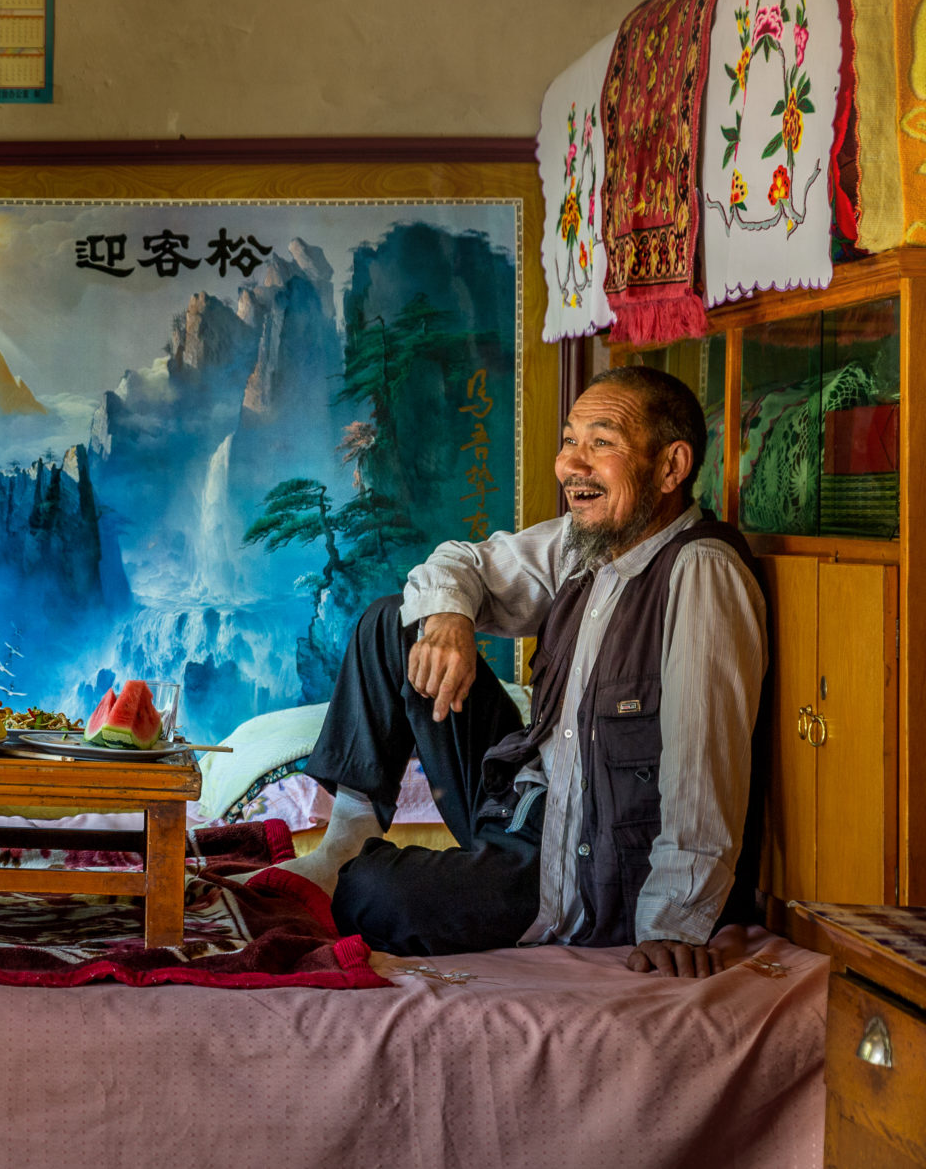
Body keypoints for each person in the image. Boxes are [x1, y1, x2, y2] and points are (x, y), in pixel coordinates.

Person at [274, 366, 767, 979]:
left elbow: (706, 766)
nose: (571, 465)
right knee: (395, 623)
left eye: (602, 442)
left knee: (372, 893)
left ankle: (372, 868)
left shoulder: (700, 573)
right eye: (569, 440)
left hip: (582, 865)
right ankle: (346, 835)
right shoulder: (584, 543)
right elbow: (459, 563)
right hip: (523, 802)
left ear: (671, 467)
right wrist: (450, 618)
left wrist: (673, 924)